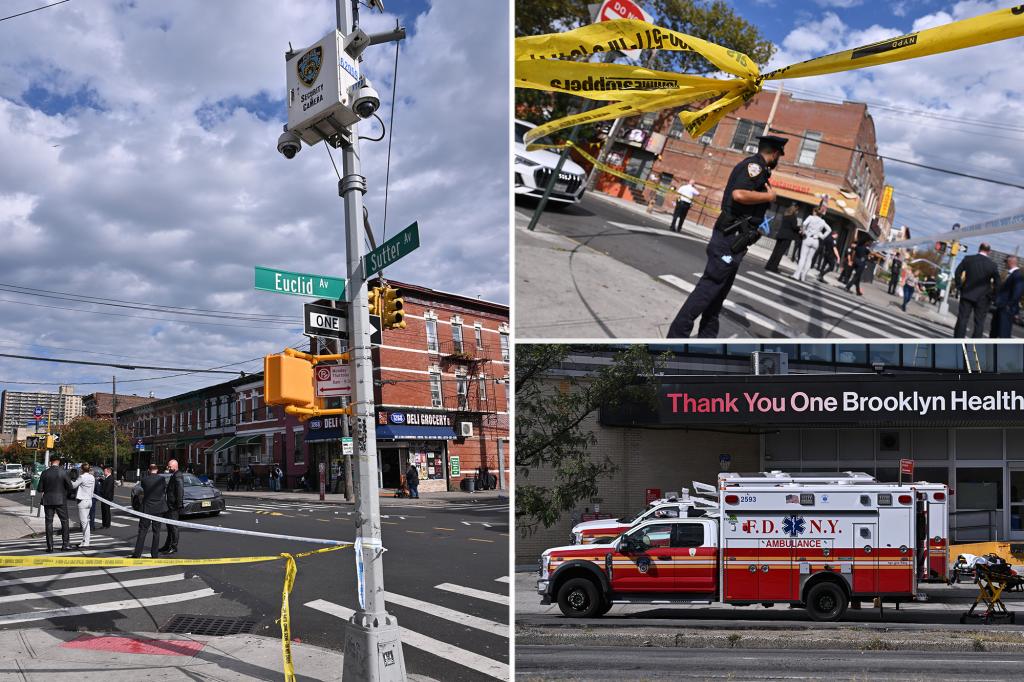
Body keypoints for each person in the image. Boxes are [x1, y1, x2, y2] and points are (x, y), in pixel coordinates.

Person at [668, 135, 786, 337]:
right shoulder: (754, 166)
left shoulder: (759, 170)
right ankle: (676, 337)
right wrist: (769, 197)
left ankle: (707, 340)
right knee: (709, 288)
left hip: (736, 242)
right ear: (775, 153)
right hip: (729, 239)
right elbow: (738, 194)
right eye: (779, 156)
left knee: (718, 295)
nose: (778, 160)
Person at [953, 242, 999, 338]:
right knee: (979, 323)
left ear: (979, 249)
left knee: (962, 319)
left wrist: (960, 286)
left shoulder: (968, 259)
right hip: (983, 297)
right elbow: (997, 283)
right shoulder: (993, 265)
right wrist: (993, 296)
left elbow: (957, 272)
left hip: (967, 293)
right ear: (989, 252)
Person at [132, 463, 168, 558]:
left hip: (147, 508)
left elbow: (142, 489)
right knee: (156, 532)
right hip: (158, 508)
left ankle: (137, 554)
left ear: (149, 470)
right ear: (157, 470)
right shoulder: (162, 479)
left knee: (142, 531)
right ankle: (154, 554)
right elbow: (164, 490)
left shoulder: (145, 480)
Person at [38, 455, 72, 553]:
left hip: (48, 500)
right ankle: (65, 545)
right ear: (58, 462)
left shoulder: (45, 473)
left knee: (49, 523)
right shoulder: (63, 472)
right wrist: (64, 492)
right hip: (61, 500)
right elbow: (70, 486)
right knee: (64, 522)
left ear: (51, 462)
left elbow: (40, 489)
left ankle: (50, 547)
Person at [792, 206, 830, 282]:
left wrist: (803, 232)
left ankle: (797, 275)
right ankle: (803, 276)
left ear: (815, 212)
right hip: (816, 241)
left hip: (808, 238)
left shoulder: (811, 217)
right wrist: (822, 236)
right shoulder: (823, 221)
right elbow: (829, 230)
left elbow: (804, 224)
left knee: (803, 257)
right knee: (809, 259)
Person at [994, 255, 1024, 338]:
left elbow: (1017, 293)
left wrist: (1007, 305)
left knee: (1003, 334)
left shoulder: (1018, 275)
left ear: (1010, 262)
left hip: (1006, 309)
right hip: (1001, 307)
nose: (1004, 264)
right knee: (995, 332)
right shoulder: (1010, 274)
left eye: (1005, 262)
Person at [159, 459, 184, 556]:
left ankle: (173, 547)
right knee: (169, 527)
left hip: (173, 506)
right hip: (169, 506)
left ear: (174, 466)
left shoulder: (178, 475)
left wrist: (178, 505)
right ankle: (167, 545)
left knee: (173, 527)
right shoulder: (174, 475)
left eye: (169, 466)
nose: (168, 468)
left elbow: (180, 491)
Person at [765, 204, 798, 273]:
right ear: (795, 210)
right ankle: (774, 267)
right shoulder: (793, 217)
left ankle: (768, 265)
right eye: (797, 210)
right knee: (780, 253)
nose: (797, 212)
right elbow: (794, 227)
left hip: (780, 235)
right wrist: (799, 228)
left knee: (775, 251)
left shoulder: (785, 215)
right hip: (787, 236)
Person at [69, 462, 95, 548]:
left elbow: (74, 485)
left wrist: (70, 479)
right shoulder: (92, 477)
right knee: (86, 521)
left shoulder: (82, 477)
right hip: (89, 500)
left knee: (84, 523)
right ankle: (84, 540)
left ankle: (86, 541)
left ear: (82, 469)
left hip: (83, 501)